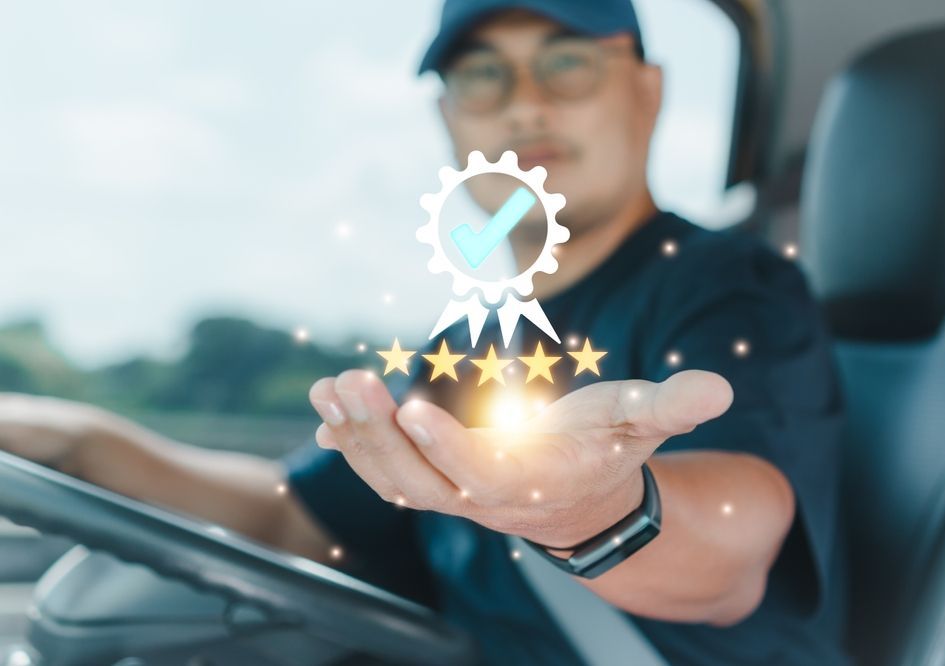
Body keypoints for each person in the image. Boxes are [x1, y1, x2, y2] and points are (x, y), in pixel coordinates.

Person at [0, 1, 848, 663]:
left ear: (647, 91)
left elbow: (735, 556)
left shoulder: (726, 286)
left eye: (567, 63)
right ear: (450, 121)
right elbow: (301, 521)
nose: (525, 105)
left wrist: (592, 509)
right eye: (483, 76)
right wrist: (82, 442)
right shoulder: (472, 344)